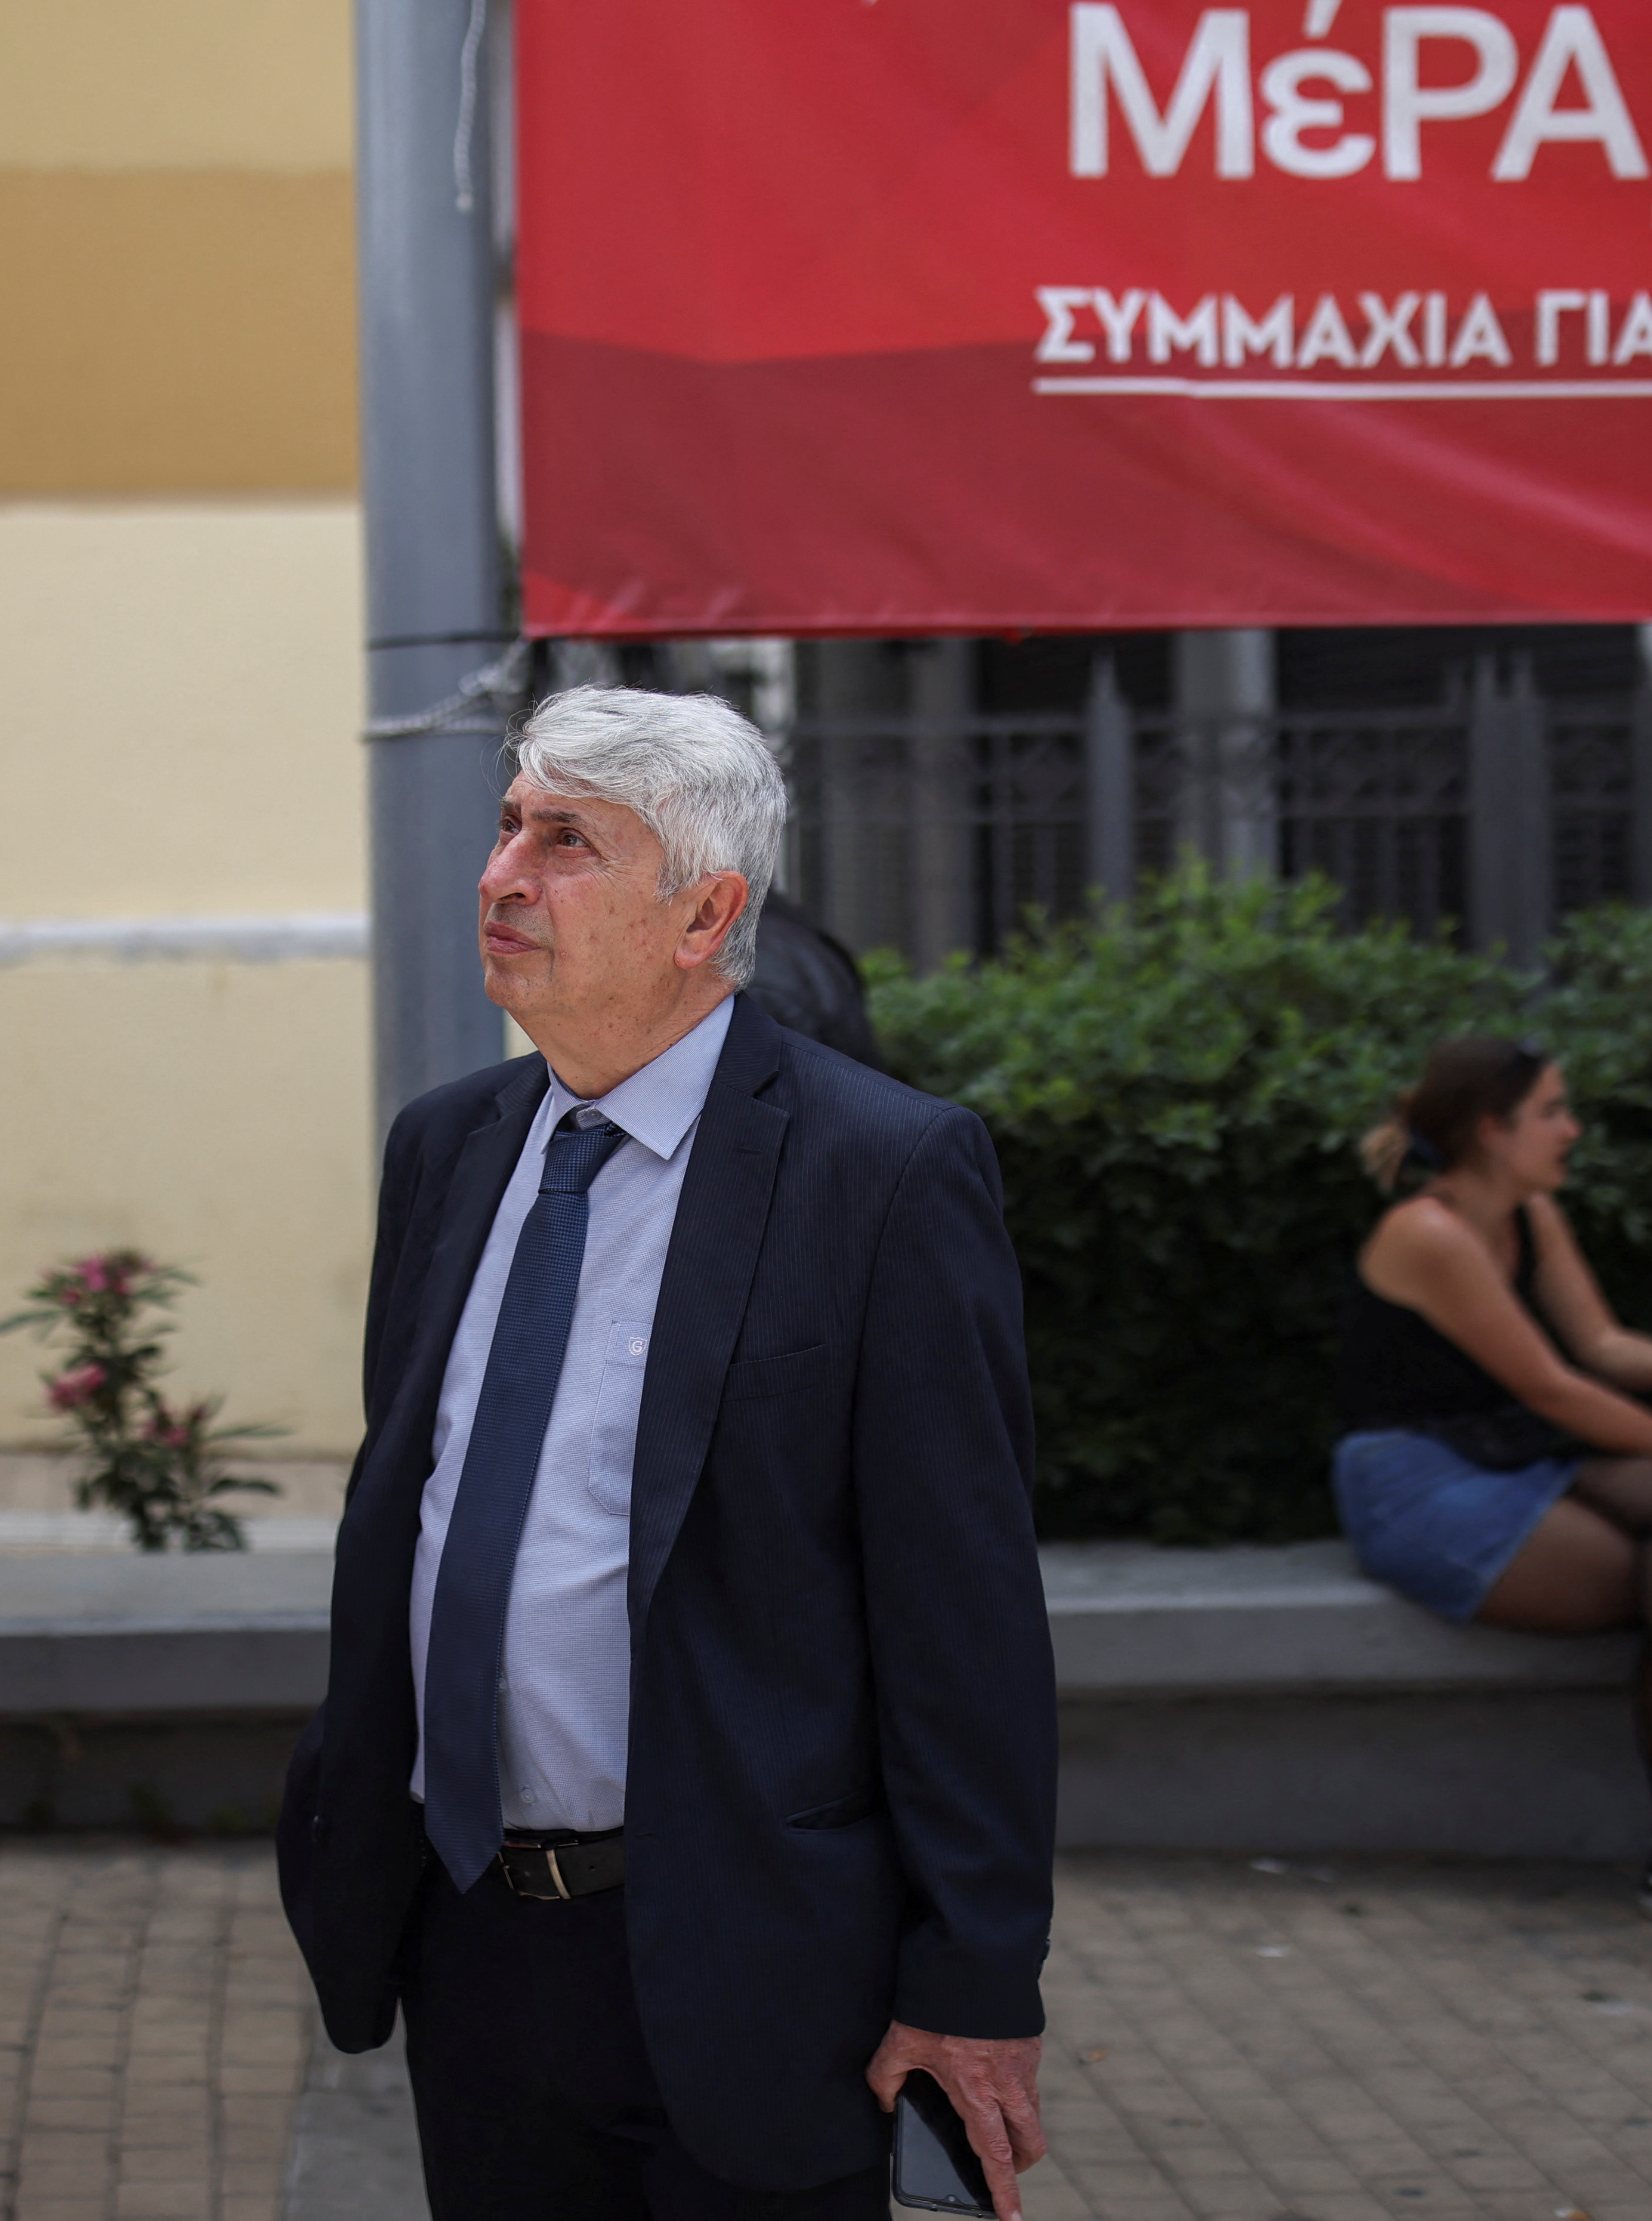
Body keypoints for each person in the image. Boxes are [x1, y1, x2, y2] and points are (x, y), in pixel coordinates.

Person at [279, 687, 1056, 2220]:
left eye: (564, 842)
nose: (502, 875)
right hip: (470, 1933)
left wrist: (973, 1976)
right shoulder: (445, 1146)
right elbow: (417, 1508)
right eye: (507, 826)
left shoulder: (882, 1174)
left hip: (747, 1952)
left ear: (701, 913)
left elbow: (959, 1611)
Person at [1335, 1035, 1652, 1950]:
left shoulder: (1533, 1215)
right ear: (1492, 1130)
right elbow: (1555, 1390)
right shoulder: (1430, 1233)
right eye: (1553, 1111)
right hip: (1414, 1481)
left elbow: (1603, 1350)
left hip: (1507, 1455)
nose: (1572, 1129)